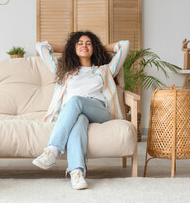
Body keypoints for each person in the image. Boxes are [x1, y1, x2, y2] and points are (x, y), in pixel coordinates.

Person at [32, 31, 129, 190]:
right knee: (79, 122)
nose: (84, 45)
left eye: (88, 43)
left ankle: (52, 150)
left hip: (99, 111)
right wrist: (70, 47)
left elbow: (124, 45)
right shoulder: (64, 71)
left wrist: (100, 47)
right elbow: (41, 46)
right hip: (76, 113)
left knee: (76, 100)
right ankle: (76, 172)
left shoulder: (104, 70)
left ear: (94, 48)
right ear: (73, 48)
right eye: (80, 43)